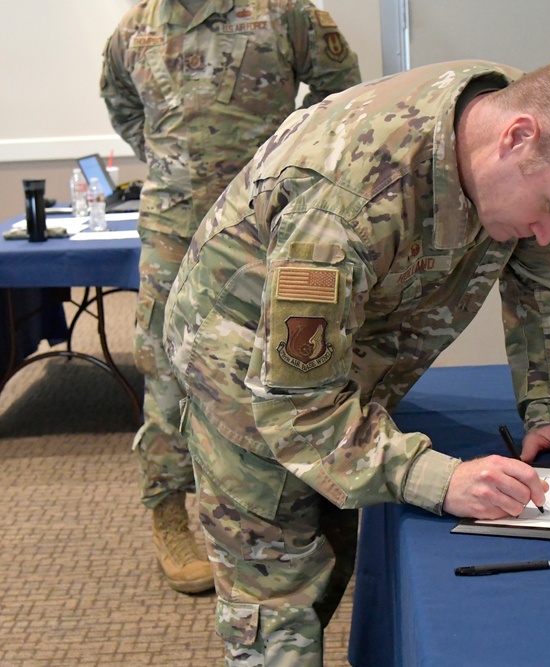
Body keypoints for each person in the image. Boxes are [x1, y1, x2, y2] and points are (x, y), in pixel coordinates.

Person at [163, 59, 550, 664]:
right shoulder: (345, 202)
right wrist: (440, 480)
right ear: (516, 137)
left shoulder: (541, 135)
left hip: (355, 343)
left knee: (336, 546)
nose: (548, 234)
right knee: (280, 598)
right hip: (239, 361)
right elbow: (297, 407)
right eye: (548, 209)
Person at [98, 0, 361, 595]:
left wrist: (289, 157)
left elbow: (339, 93)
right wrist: (177, 164)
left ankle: (300, 510)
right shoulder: (134, 28)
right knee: (165, 368)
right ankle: (169, 513)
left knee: (280, 357)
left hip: (265, 220)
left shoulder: (286, 13)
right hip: (174, 226)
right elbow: (122, 107)